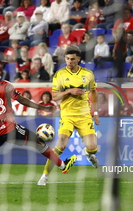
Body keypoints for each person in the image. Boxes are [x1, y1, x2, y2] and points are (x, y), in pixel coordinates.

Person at [37, 45, 99, 186]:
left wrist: (95, 112)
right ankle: (44, 176)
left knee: (92, 147)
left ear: (78, 59)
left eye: (72, 59)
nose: (69, 61)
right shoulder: (60, 75)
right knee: (60, 145)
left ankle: (89, 154)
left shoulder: (88, 74)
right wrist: (69, 91)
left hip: (84, 116)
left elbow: (94, 92)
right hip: (67, 116)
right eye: (67, 59)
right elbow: (55, 96)